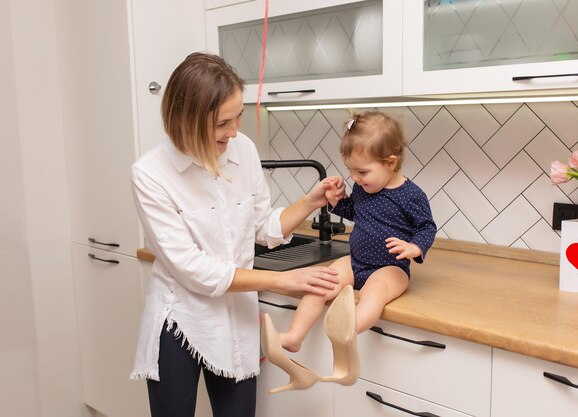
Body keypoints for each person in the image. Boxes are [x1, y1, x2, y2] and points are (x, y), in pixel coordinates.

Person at [129, 52, 343, 417]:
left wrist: (310, 201)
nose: (234, 131)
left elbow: (263, 228)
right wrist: (281, 281)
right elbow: (193, 269)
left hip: (237, 314)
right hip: (181, 317)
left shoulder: (242, 149)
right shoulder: (150, 174)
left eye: (239, 116)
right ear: (186, 121)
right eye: (222, 123)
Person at [264, 110, 437, 388]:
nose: (354, 178)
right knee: (319, 284)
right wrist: (335, 199)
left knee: (375, 293)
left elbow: (427, 227)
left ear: (390, 163)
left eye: (362, 171)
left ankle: (348, 330)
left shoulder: (411, 195)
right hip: (355, 261)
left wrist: (414, 247)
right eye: (350, 171)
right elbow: (353, 211)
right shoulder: (363, 189)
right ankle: (294, 336)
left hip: (390, 267)